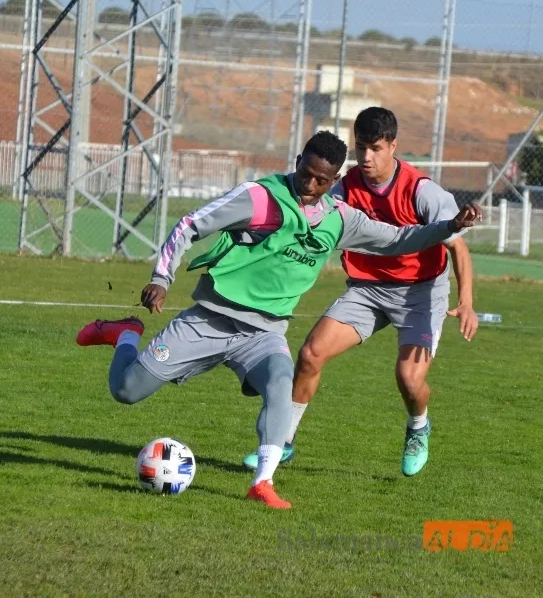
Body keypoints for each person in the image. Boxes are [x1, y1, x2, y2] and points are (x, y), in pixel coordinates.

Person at [74, 131, 481, 509]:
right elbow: (190, 225)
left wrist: (449, 227)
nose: (310, 185)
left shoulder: (340, 218)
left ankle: (262, 483)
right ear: (298, 160)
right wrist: (161, 279)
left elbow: (396, 239)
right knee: (127, 390)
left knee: (282, 380)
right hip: (211, 320)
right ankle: (127, 334)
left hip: (264, 331)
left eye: (322, 180)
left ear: (334, 179)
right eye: (306, 173)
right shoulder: (260, 198)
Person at [242, 107, 478, 478]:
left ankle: (418, 426)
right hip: (368, 290)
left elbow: (458, 247)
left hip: (420, 293)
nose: (366, 157)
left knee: (409, 378)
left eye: (376, 148)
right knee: (310, 354)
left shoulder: (421, 191)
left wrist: (466, 302)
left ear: (393, 147)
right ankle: (282, 443)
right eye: (361, 147)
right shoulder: (345, 186)